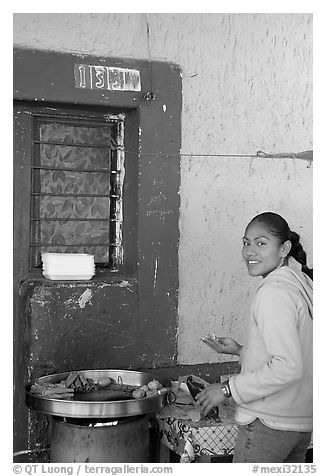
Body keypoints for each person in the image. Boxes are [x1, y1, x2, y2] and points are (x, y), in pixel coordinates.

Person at [197, 211, 313, 463]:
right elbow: (302, 351)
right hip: (300, 421)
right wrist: (242, 350)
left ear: (284, 249)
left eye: (261, 243)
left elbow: (288, 366)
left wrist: (228, 389)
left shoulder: (274, 292)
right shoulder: (301, 282)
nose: (250, 252)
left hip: (269, 423)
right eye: (246, 243)